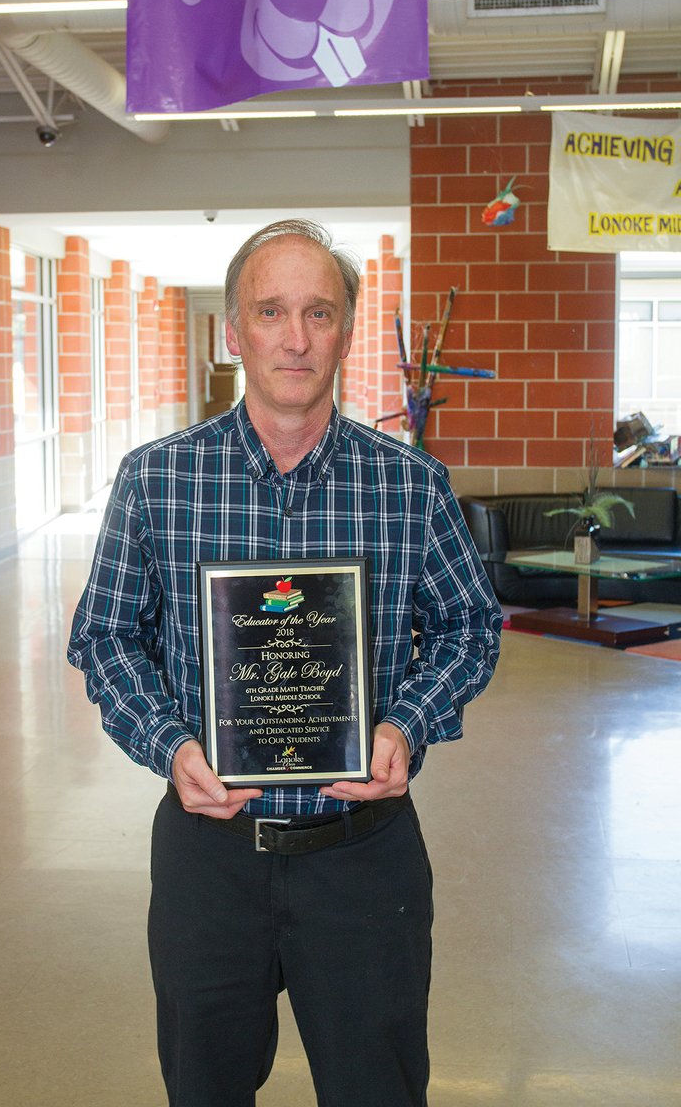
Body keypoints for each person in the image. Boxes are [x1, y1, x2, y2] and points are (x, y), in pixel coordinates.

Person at [68, 219, 502, 1107]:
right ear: (235, 332)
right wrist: (172, 745)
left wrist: (403, 725)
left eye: (319, 312)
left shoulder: (410, 486)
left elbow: (470, 628)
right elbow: (106, 637)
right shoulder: (156, 480)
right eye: (271, 311)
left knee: (377, 1090)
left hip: (363, 859)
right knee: (205, 1088)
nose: (296, 337)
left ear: (346, 328)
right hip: (209, 859)